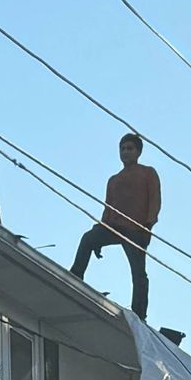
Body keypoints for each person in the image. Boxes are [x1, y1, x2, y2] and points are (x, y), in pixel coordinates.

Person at [72, 133, 161, 319]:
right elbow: (108, 208)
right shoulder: (114, 180)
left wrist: (148, 225)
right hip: (114, 226)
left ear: (138, 152)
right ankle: (75, 277)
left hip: (136, 229)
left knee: (138, 272)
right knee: (88, 239)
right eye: (123, 148)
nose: (125, 152)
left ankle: (139, 314)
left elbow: (154, 200)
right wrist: (100, 233)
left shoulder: (148, 172)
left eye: (130, 148)